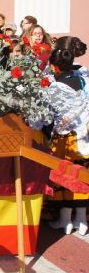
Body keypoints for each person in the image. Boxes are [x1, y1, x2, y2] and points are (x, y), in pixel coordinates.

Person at [46, 37, 89, 236]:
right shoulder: (83, 78)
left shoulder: (55, 87)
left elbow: (48, 116)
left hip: (66, 138)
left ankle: (65, 220)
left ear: (55, 67)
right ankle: (81, 221)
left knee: (64, 176)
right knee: (82, 176)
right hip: (85, 136)